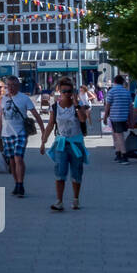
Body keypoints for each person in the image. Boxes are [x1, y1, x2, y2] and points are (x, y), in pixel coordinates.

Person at [40, 78, 89, 210]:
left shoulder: (77, 105)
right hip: (61, 144)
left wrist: (76, 104)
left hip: (76, 144)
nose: (67, 93)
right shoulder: (55, 107)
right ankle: (59, 201)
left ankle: (75, 199)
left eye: (69, 91)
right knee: (60, 173)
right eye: (64, 91)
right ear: (59, 91)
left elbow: (83, 119)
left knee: (76, 173)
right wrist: (43, 141)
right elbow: (50, 124)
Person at [0, 75, 42, 196]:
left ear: (18, 86)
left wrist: (44, 132)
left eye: (14, 85)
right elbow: (0, 119)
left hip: (20, 133)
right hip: (7, 134)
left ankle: (21, 185)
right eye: (9, 86)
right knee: (11, 161)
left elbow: (36, 114)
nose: (11, 88)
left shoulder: (24, 99)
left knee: (18, 158)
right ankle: (16, 183)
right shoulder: (3, 100)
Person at [104, 74, 133, 164]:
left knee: (119, 136)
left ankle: (124, 155)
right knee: (116, 135)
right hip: (124, 116)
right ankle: (118, 153)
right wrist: (130, 119)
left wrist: (105, 116)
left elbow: (107, 105)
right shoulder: (126, 92)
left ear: (115, 82)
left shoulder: (111, 91)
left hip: (115, 116)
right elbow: (130, 106)